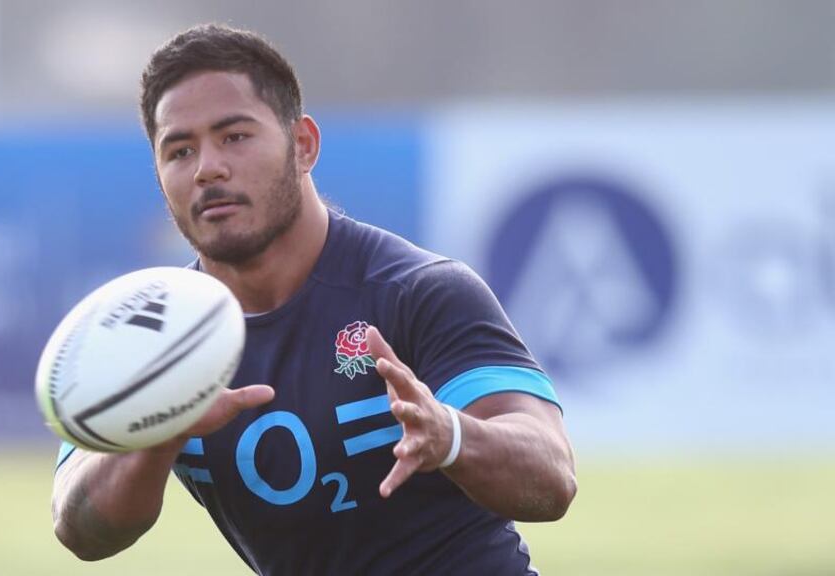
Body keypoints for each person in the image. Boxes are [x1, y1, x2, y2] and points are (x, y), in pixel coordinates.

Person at [51, 23, 577, 575]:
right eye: (180, 151)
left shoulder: (418, 291)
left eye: (235, 137)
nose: (208, 168)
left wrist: (452, 438)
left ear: (303, 145)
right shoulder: (153, 339)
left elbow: (552, 477)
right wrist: (163, 428)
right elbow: (78, 527)